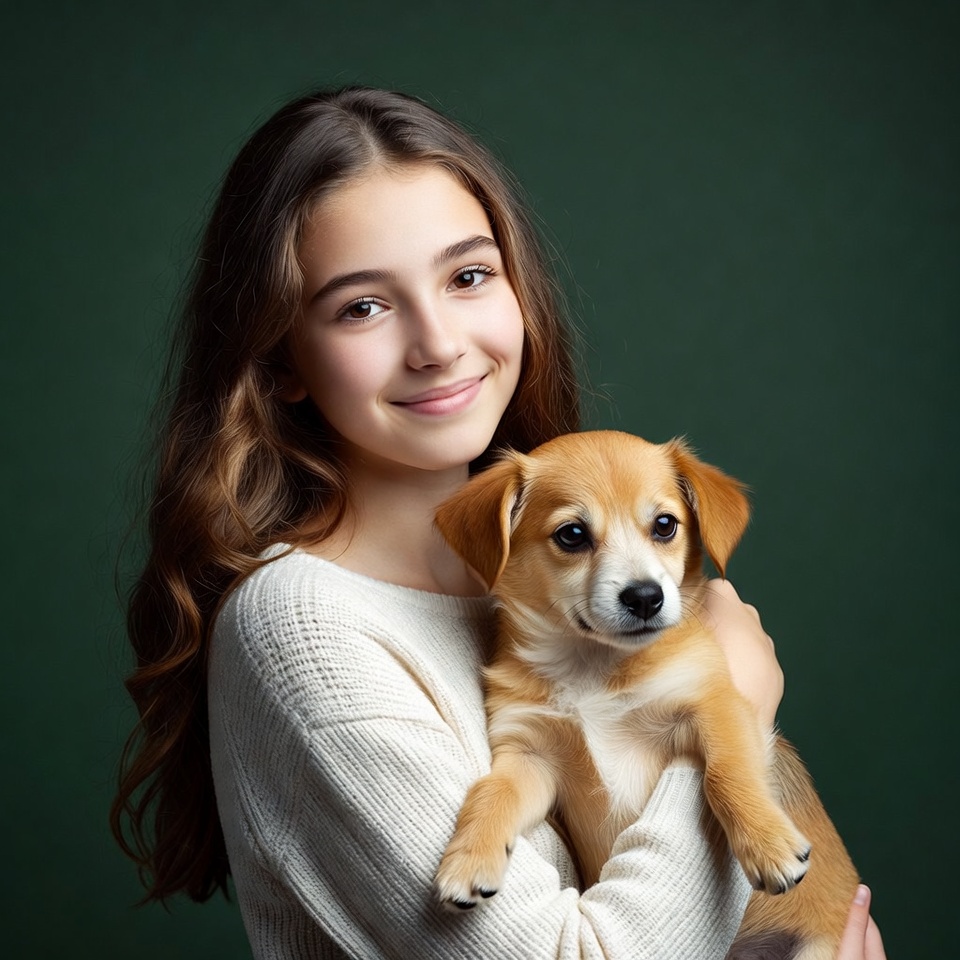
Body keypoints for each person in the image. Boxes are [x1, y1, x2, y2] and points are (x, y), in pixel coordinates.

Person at [111, 87, 885, 959]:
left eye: (468, 276)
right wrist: (739, 698)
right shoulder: (303, 630)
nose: (437, 342)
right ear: (280, 358)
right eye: (361, 305)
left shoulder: (540, 593)